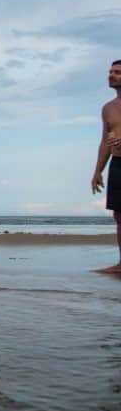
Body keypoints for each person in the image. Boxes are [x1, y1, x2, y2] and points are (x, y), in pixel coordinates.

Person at [91, 60, 121, 273]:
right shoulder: (108, 108)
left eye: (117, 72)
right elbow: (105, 142)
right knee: (119, 215)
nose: (111, 75)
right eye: (110, 71)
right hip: (118, 164)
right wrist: (98, 171)